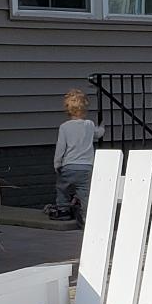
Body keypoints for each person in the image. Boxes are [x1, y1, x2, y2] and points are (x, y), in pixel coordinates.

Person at [49, 89, 100, 220]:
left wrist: (57, 164)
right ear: (85, 109)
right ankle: (86, 215)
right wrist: (103, 126)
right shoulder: (89, 125)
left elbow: (61, 147)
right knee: (85, 192)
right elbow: (99, 134)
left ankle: (63, 210)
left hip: (69, 166)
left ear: (68, 110)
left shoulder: (64, 127)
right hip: (86, 167)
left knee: (62, 188)